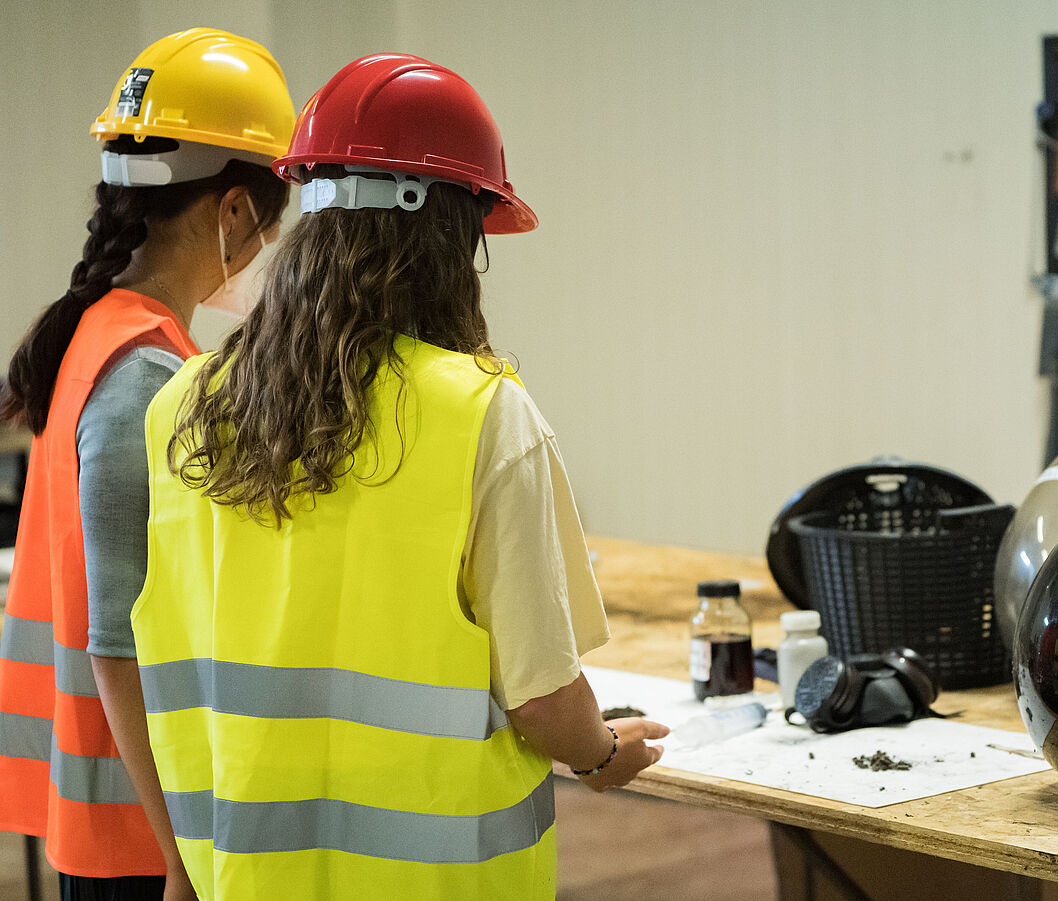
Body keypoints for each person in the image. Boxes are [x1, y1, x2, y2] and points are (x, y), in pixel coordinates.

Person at [130, 53, 668, 900]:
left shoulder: (184, 406)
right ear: (447, 238)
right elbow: (540, 696)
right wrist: (602, 752)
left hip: (243, 872)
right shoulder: (482, 415)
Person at [0, 28, 294, 901]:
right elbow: (117, 641)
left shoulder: (99, 336)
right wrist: (182, 857)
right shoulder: (145, 379)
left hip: (99, 805)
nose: (264, 253)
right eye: (270, 229)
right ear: (233, 211)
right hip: (138, 832)